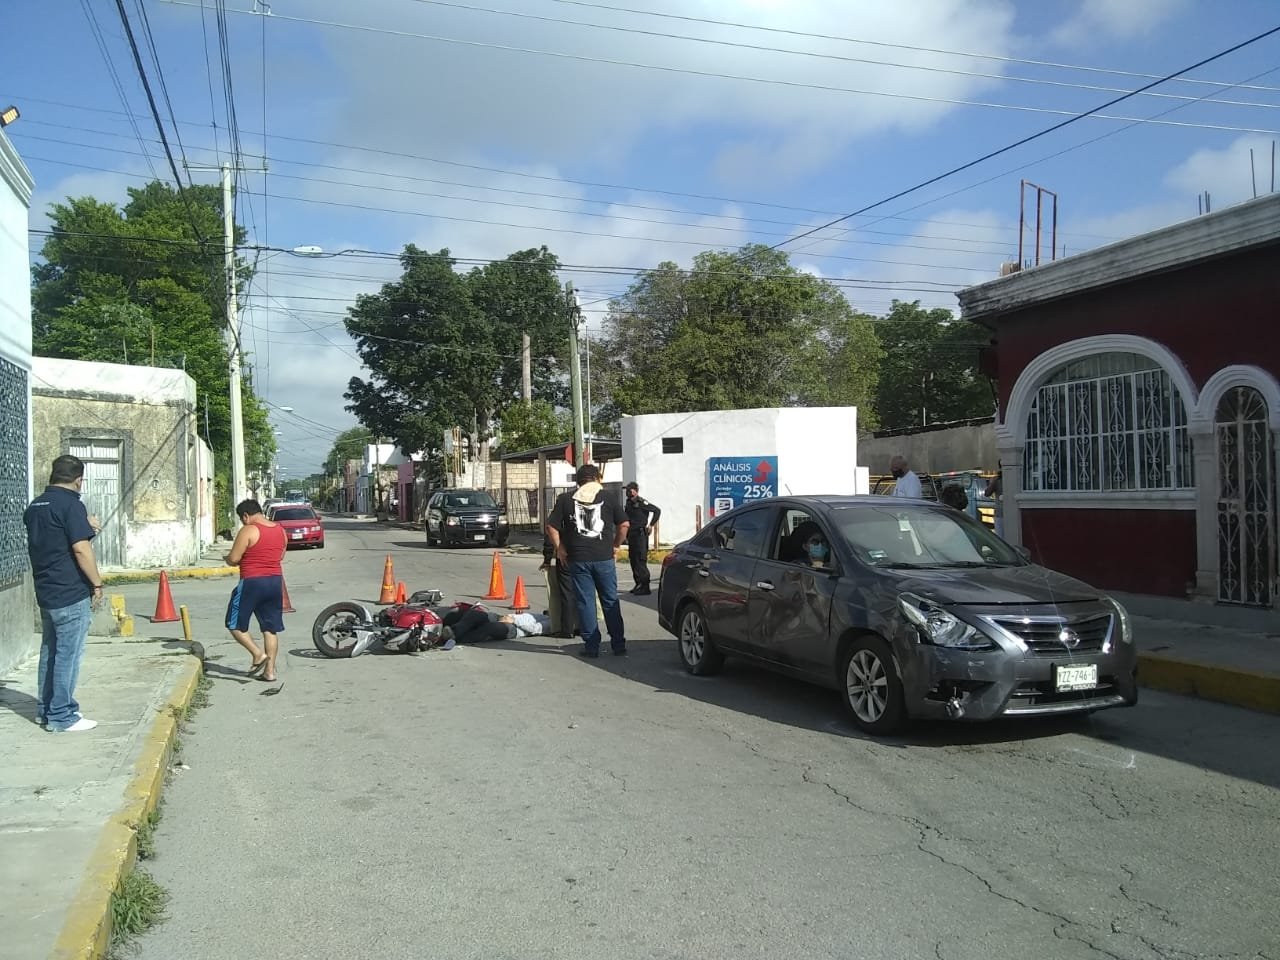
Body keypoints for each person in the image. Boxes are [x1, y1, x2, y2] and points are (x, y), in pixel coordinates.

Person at [23, 455, 105, 732]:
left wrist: (86, 525)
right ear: (79, 479)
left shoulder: (36, 506)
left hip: (45, 589)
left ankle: (45, 710)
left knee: (50, 651)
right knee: (69, 654)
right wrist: (96, 583)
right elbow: (80, 549)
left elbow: (53, 540)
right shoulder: (72, 505)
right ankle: (62, 715)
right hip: (70, 590)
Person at [545, 464, 629, 658]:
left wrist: (561, 549)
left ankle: (592, 646)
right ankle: (618, 644)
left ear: (578, 481)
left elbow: (551, 527)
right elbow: (624, 524)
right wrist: (616, 545)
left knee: (585, 602)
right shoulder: (608, 497)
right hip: (604, 558)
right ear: (597, 479)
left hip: (578, 559)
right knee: (610, 600)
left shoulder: (565, 499)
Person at [224, 499, 288, 683]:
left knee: (233, 623)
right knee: (270, 628)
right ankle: (270, 672)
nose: (243, 522)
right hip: (275, 582)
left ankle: (257, 654)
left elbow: (234, 558)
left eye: (242, 519)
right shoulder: (280, 530)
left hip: (252, 582)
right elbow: (281, 554)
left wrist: (227, 558)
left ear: (246, 515)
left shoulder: (249, 530)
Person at [623, 482, 661, 595]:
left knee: (640, 560)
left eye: (629, 490)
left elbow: (657, 511)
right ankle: (638, 583)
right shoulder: (629, 503)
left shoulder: (642, 502)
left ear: (635, 491)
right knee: (633, 560)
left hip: (640, 535)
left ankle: (645, 586)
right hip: (632, 535)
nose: (627, 492)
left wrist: (651, 525)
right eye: (627, 490)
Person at [540, 532, 578, 638]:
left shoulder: (561, 515)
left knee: (565, 595)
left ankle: (566, 630)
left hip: (564, 557)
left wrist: (547, 559)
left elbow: (551, 533)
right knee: (583, 593)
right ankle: (583, 626)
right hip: (587, 557)